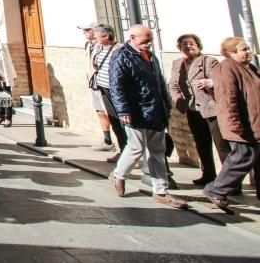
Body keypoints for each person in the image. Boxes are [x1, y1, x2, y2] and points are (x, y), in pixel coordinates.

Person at [107, 24, 187, 209]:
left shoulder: (150, 56)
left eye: (150, 40)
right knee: (135, 147)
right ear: (132, 38)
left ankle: (160, 190)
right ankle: (119, 175)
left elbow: (159, 82)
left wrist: (165, 105)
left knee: (157, 151)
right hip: (135, 110)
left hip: (154, 110)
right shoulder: (121, 56)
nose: (148, 44)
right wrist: (123, 110)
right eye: (144, 40)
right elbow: (116, 86)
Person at [203, 37, 260, 214]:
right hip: (241, 124)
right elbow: (228, 98)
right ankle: (216, 190)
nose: (248, 51)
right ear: (231, 52)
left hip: (254, 122)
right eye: (243, 49)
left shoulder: (249, 67)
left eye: (248, 48)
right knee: (242, 157)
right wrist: (234, 124)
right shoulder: (226, 67)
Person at [168, 33, 229, 187]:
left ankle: (230, 181)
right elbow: (173, 85)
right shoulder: (177, 63)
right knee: (201, 143)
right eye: (184, 44)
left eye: (191, 43)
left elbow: (221, 80)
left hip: (211, 107)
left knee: (221, 144)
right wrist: (179, 101)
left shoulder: (208, 61)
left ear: (198, 45)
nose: (188, 46)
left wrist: (210, 82)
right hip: (192, 108)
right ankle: (208, 174)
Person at [91, 24, 125, 161]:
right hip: (103, 88)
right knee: (114, 121)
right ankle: (122, 150)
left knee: (123, 122)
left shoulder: (119, 49)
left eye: (97, 35)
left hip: (117, 91)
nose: (95, 37)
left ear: (106, 36)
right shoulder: (98, 48)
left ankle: (129, 155)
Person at [82, 22, 114, 152]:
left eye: (87, 30)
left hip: (106, 85)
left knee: (111, 114)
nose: (84, 32)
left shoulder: (105, 48)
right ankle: (107, 140)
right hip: (94, 83)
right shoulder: (88, 45)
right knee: (99, 111)